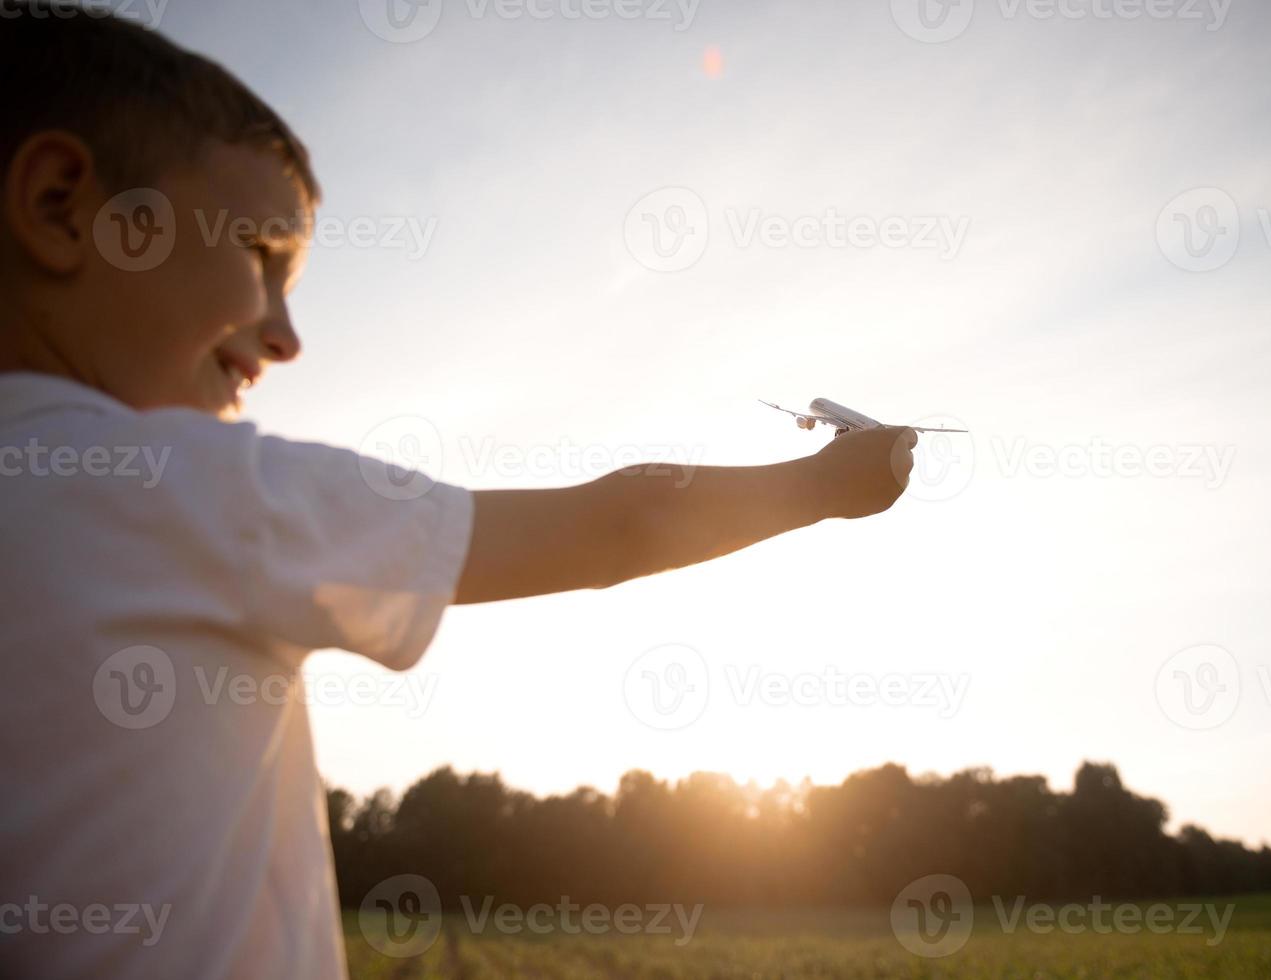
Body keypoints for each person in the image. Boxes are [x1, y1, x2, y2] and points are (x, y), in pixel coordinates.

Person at [0, 6, 918, 978]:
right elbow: (621, 523)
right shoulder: (206, 490)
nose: (285, 337)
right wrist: (825, 483)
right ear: (64, 206)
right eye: (262, 257)